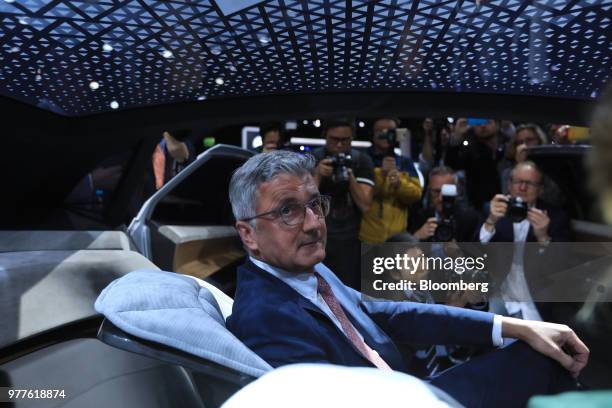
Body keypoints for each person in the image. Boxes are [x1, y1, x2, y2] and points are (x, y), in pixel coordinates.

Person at [227, 150, 588, 408]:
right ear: (249, 235)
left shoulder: (309, 271)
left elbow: (387, 313)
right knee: (543, 364)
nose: (312, 223)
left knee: (538, 349)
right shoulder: (265, 318)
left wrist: (513, 326)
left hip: (413, 386)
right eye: (288, 211)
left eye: (313, 204)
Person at [480, 161, 571, 321]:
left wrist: (543, 237)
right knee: (485, 329)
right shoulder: (494, 209)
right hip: (501, 294)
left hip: (535, 299)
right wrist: (490, 222)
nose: (522, 188)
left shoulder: (556, 217)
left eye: (529, 183)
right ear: (509, 184)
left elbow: (561, 267)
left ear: (540, 189)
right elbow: (474, 252)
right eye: (518, 182)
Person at [311, 120, 375, 288]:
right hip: (317, 238)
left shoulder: (361, 161)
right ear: (325, 137)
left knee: (348, 290)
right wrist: (317, 174)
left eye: (345, 140)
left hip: (351, 240)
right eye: (334, 139)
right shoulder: (313, 160)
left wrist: (350, 176)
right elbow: (301, 202)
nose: (339, 145)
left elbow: (365, 206)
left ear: (352, 139)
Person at [360, 118, 422, 244]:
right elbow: (361, 195)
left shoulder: (405, 162)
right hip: (368, 237)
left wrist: (400, 184)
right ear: (372, 133)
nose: (385, 134)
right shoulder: (362, 159)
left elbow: (416, 194)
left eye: (390, 131)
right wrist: (381, 174)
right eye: (380, 131)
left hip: (398, 238)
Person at [445, 119, 507, 214]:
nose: (482, 126)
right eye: (478, 123)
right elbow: (451, 165)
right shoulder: (468, 147)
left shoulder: (507, 144)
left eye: (487, 122)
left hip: (505, 203)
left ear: (497, 124)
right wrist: (457, 136)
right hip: (476, 206)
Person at [408, 166, 481, 243]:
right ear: (429, 191)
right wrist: (416, 237)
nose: (440, 198)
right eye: (436, 191)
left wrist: (459, 253)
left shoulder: (470, 219)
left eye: (446, 193)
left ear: (457, 191)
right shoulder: (418, 217)